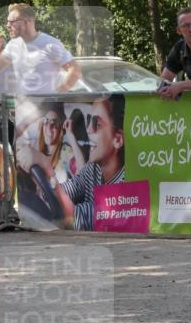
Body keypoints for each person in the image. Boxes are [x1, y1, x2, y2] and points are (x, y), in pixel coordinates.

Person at [26, 95, 125, 231]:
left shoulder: (126, 183)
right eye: (89, 120)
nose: (88, 129)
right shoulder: (93, 169)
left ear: (117, 140)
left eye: (97, 124)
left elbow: (71, 217)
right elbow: (70, 188)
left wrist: (47, 170)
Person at [0, 3, 81, 94]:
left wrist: (56, 96)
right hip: (22, 103)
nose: (8, 25)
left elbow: (75, 71)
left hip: (48, 103)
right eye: (7, 21)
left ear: (27, 22)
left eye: (12, 22)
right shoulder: (13, 45)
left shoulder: (50, 44)